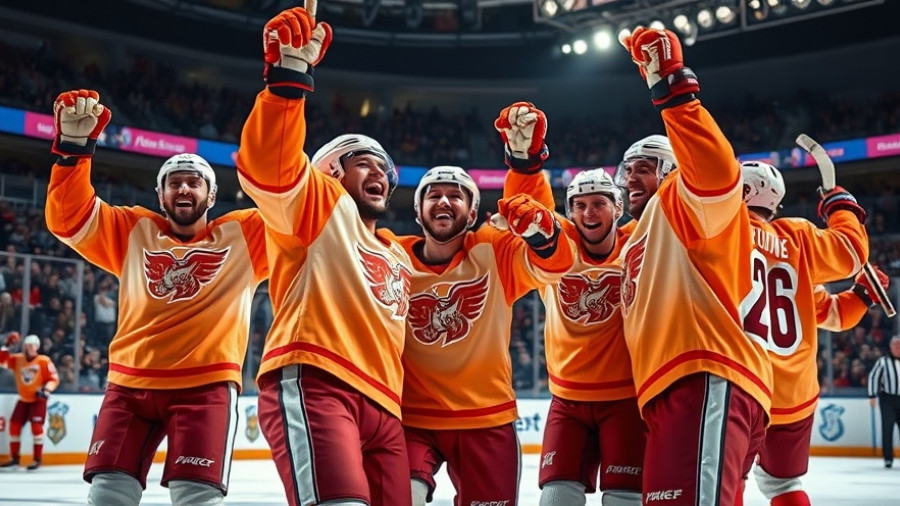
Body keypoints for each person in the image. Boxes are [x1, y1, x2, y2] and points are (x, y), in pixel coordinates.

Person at [44, 90, 268, 506]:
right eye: (174, 183)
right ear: (160, 195)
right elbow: (67, 218)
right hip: (130, 382)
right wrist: (73, 153)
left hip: (207, 385)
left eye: (194, 182)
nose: (184, 188)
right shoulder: (133, 229)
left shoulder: (244, 235)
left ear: (212, 196)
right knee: (108, 494)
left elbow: (294, 214)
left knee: (196, 497)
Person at [235, 7, 414, 505]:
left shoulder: (398, 251)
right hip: (320, 380)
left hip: (386, 405)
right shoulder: (320, 203)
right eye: (364, 163)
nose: (379, 173)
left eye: (385, 168)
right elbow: (268, 168)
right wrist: (289, 82)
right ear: (332, 172)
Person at [616, 27, 774, 505]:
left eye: (643, 166)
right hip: (674, 389)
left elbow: (716, 171)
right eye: (626, 170)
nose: (629, 179)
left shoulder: (681, 199)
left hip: (706, 376)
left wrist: (673, 94)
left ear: (669, 170)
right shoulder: (635, 235)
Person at [395, 165, 575, 506]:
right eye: (433, 195)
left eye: (455, 196)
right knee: (402, 497)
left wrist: (527, 173)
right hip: (410, 419)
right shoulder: (393, 254)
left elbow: (556, 263)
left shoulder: (493, 249)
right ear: (418, 212)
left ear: (473, 212)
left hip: (486, 417)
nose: (443, 201)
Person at [495, 102, 645, 506]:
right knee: (557, 497)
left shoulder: (640, 240)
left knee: (624, 499)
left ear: (618, 207)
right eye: (579, 205)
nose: (588, 212)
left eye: (599, 203)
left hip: (627, 397)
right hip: (568, 400)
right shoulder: (558, 238)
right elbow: (529, 208)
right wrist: (524, 162)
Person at [736, 161, 870, 506]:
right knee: (784, 486)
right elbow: (838, 304)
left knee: (726, 480)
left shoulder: (722, 229)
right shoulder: (797, 238)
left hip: (739, 384)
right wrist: (840, 205)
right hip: (794, 395)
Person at [0, 332, 58, 470]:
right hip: (24, 399)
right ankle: (15, 458)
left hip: (38, 399)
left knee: (36, 428)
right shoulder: (18, 359)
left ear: (37, 347)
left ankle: (37, 459)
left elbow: (53, 378)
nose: (28, 348)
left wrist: (46, 390)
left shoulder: (44, 360)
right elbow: (2, 362)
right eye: (26, 345)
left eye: (31, 346)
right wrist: (6, 346)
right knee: (14, 425)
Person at [868, 336, 900, 469]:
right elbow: (873, 377)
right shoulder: (883, 362)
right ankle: (888, 458)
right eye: (896, 346)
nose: (898, 348)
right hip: (888, 399)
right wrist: (872, 395)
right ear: (891, 347)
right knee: (887, 429)